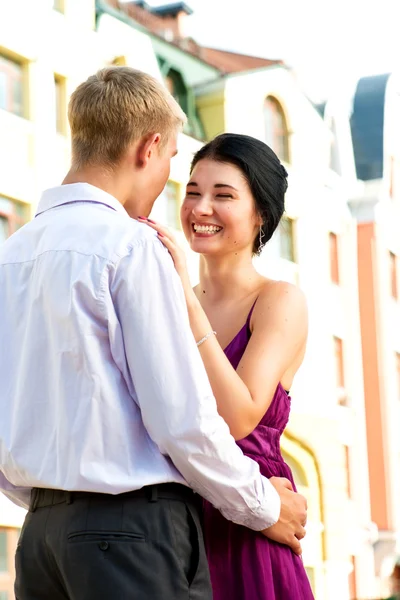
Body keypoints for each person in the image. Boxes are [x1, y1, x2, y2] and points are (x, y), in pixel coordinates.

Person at [0, 68, 307, 600]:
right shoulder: (130, 247)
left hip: (43, 537)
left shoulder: (12, 254)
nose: (189, 201)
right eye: (180, 177)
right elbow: (180, 420)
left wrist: (56, 503)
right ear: (150, 147)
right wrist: (265, 506)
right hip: (137, 529)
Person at [141, 132, 314, 599]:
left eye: (223, 196)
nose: (200, 208)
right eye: (193, 191)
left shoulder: (279, 300)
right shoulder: (167, 297)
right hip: (175, 514)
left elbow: (238, 416)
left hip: (255, 517)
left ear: (261, 213)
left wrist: (186, 304)